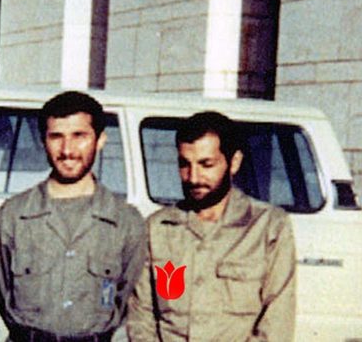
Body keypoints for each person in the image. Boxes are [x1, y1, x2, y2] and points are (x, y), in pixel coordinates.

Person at [0, 91, 146, 342]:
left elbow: (126, 296)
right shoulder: (13, 216)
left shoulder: (126, 222)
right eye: (56, 137)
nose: (67, 150)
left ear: (100, 140)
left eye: (79, 136)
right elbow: (2, 289)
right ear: (43, 141)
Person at [127, 111, 296, 341]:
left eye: (206, 164)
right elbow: (141, 316)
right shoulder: (157, 229)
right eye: (185, 165)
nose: (194, 177)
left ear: (234, 162)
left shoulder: (268, 227)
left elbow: (276, 324)